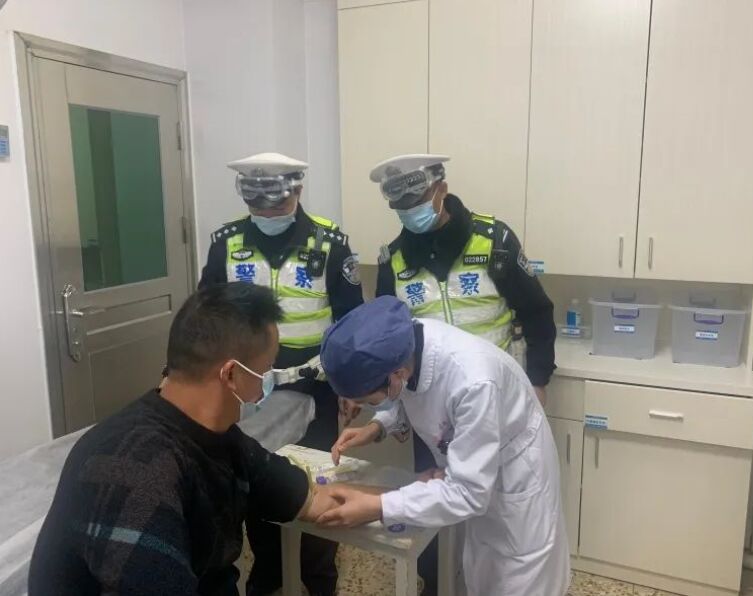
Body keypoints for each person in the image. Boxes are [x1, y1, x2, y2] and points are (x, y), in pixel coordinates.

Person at [29, 283, 340, 595]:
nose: (266, 386)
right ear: (231, 375)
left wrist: (370, 502)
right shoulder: (137, 473)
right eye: (267, 371)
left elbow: (296, 493)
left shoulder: (216, 437)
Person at [367, 153, 558, 592]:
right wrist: (392, 414)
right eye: (399, 206)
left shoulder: (494, 241)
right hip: (431, 408)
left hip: (495, 402)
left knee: (497, 510)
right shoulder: (393, 259)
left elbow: (537, 312)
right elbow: (390, 342)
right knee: (432, 506)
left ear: (441, 189)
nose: (408, 212)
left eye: (416, 201)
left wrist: (538, 380)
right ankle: (436, 584)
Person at [317, 296, 570, 596]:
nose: (370, 405)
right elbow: (414, 394)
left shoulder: (473, 382)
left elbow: (468, 493)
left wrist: (378, 507)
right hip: (479, 468)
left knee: (520, 579)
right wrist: (378, 427)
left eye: (369, 401)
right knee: (484, 572)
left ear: (396, 375)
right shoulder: (404, 347)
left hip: (516, 475)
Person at [199, 152, 363, 595]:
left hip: (316, 387)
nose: (267, 213)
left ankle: (319, 579)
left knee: (316, 482)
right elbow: (207, 314)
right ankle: (270, 572)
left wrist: (350, 384)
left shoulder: (330, 243)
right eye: (257, 203)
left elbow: (351, 319)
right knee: (258, 482)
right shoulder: (226, 243)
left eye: (276, 202)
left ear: (298, 190)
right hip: (248, 388)